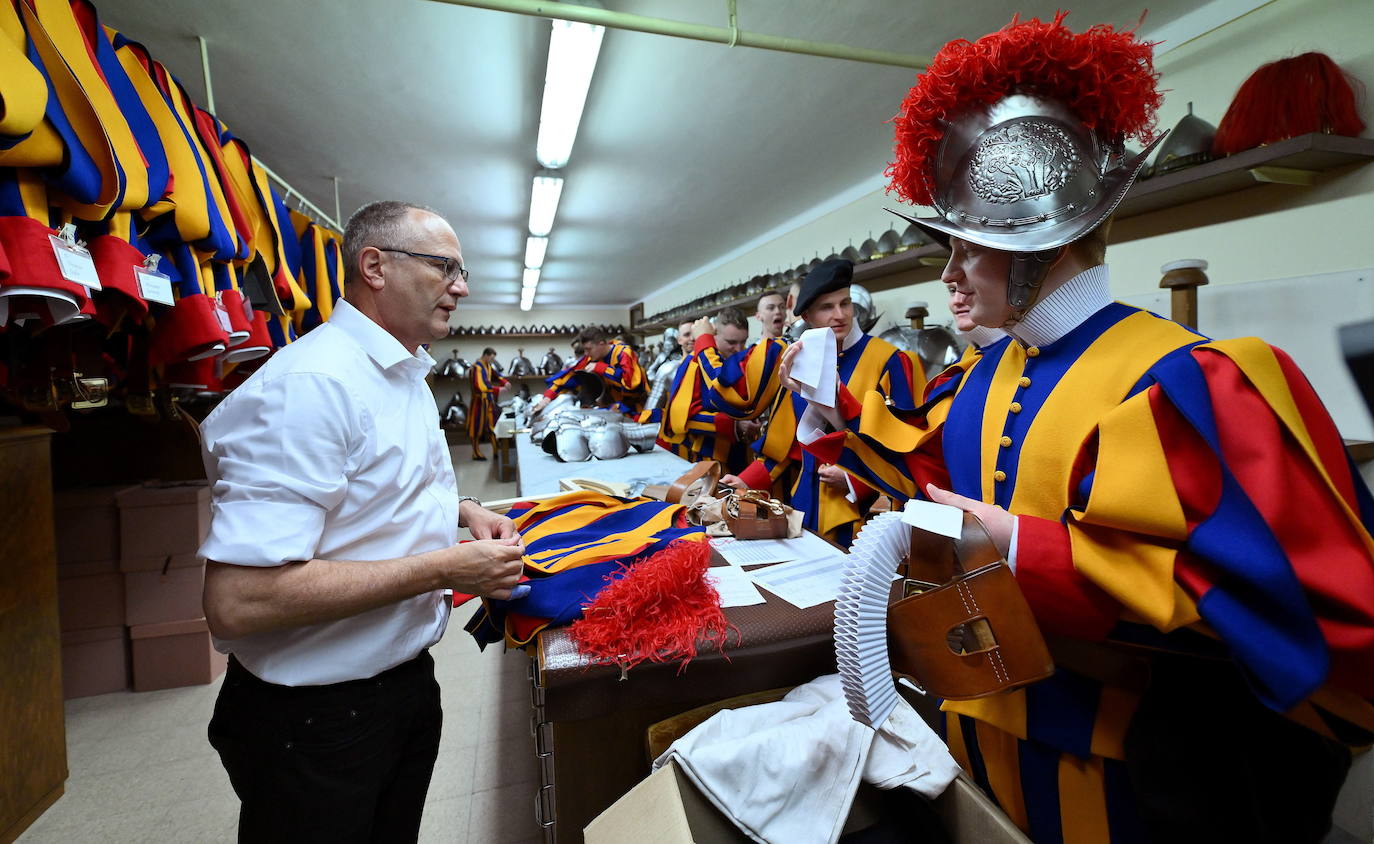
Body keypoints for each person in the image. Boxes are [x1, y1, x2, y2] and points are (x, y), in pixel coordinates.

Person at [790, 16, 1374, 841]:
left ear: (1041, 243)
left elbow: (1275, 598)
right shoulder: (985, 374)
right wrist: (838, 436)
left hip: (1131, 767)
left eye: (969, 247)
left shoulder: (1187, 380)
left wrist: (1020, 546)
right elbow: (931, 477)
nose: (949, 274)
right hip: (977, 730)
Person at [198, 200, 527, 842]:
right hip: (318, 721)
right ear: (374, 266)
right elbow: (239, 600)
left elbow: (368, 484)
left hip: (396, 687)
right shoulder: (312, 386)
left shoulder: (399, 371)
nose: (461, 287)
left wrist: (460, 508)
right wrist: (444, 566)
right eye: (445, 267)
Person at [700, 259, 922, 547]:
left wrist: (856, 478)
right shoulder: (798, 363)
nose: (840, 315)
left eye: (845, 303)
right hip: (804, 507)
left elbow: (909, 452)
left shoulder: (891, 362)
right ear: (807, 315)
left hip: (864, 516)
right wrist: (747, 480)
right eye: (827, 307)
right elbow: (785, 446)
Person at [654, 307, 754, 473]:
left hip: (736, 454)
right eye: (731, 342)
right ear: (714, 335)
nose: (739, 348)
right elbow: (680, 419)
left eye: (742, 342)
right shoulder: (693, 363)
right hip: (703, 459)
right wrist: (734, 425)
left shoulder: (740, 361)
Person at [533, 325, 648, 414]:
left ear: (601, 344)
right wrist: (547, 398)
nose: (586, 354)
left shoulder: (623, 353)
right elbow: (567, 378)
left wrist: (602, 368)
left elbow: (632, 386)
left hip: (636, 411)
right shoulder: (591, 358)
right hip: (611, 409)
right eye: (585, 350)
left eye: (589, 349)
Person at [466, 346, 508, 461]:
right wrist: (498, 389)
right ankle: (475, 452)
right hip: (479, 402)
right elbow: (480, 386)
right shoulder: (476, 367)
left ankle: (496, 451)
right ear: (485, 355)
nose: (492, 361)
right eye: (491, 358)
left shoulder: (487, 366)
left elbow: (496, 374)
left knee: (492, 425)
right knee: (476, 426)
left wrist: (504, 381)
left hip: (488, 401)